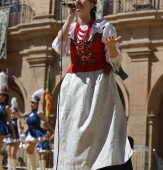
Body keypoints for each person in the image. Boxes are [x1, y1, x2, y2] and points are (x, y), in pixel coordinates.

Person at [52, 0, 133, 169]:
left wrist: (111, 48)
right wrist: (69, 18)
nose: (77, 2)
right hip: (74, 85)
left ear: (92, 3)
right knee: (73, 130)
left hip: (98, 85)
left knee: (97, 130)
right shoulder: (71, 28)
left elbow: (116, 62)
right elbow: (59, 48)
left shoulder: (104, 27)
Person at [17, 88, 54, 170]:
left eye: (33, 103)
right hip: (29, 133)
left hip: (36, 133)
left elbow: (46, 123)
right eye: (31, 102)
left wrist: (53, 131)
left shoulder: (39, 113)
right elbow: (19, 116)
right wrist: (15, 111)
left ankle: (34, 168)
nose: (31, 104)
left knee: (27, 148)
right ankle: (33, 168)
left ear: (37, 104)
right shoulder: (28, 113)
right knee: (28, 150)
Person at [0, 72, 16, 170]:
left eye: (0, 94)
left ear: (5, 96)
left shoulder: (6, 107)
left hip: (1, 127)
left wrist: (13, 133)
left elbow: (9, 120)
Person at [4, 97, 22, 170]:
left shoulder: (18, 120)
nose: (12, 115)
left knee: (13, 153)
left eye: (13, 113)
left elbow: (19, 129)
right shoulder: (9, 121)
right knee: (9, 153)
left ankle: (14, 168)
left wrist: (20, 137)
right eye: (11, 113)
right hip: (9, 138)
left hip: (16, 137)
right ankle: (9, 168)